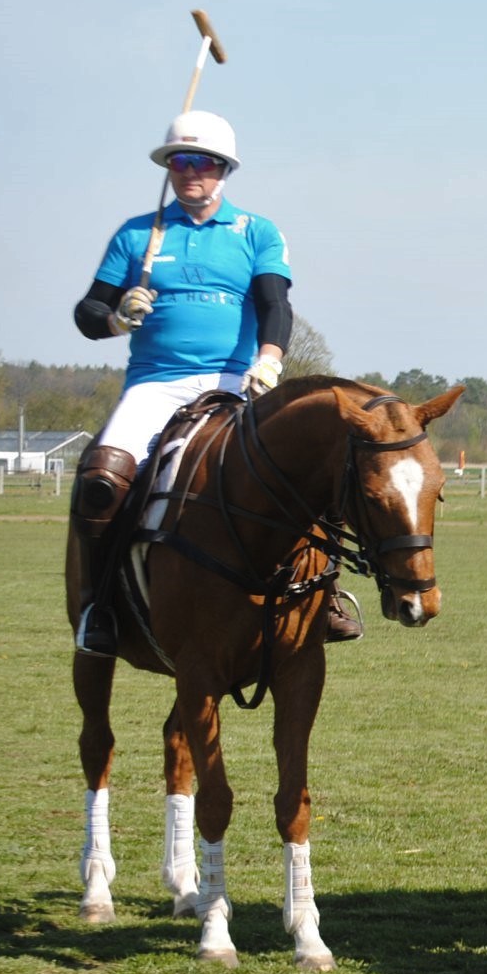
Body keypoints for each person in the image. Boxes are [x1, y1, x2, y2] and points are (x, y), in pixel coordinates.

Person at [69, 111, 359, 654]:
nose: (191, 172)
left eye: (203, 162)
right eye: (180, 161)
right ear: (169, 168)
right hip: (155, 384)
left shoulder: (256, 232)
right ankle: (100, 605)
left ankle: (327, 597)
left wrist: (269, 357)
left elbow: (276, 303)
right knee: (102, 476)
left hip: (237, 379)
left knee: (312, 464)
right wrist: (118, 318)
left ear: (224, 170)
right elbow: (88, 313)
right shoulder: (138, 235)